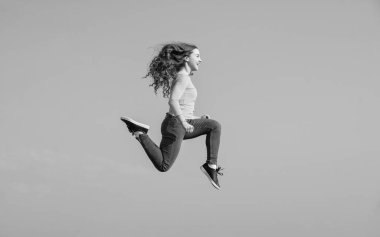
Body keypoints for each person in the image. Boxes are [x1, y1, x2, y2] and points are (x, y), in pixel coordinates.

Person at [121, 42, 223, 190]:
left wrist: (197, 118)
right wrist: (184, 122)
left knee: (213, 126)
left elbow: (182, 107)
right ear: (187, 58)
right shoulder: (183, 78)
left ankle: (211, 166)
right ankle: (141, 133)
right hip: (176, 125)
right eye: (198, 56)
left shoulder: (185, 77)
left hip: (179, 123)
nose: (201, 60)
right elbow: (173, 101)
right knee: (163, 165)